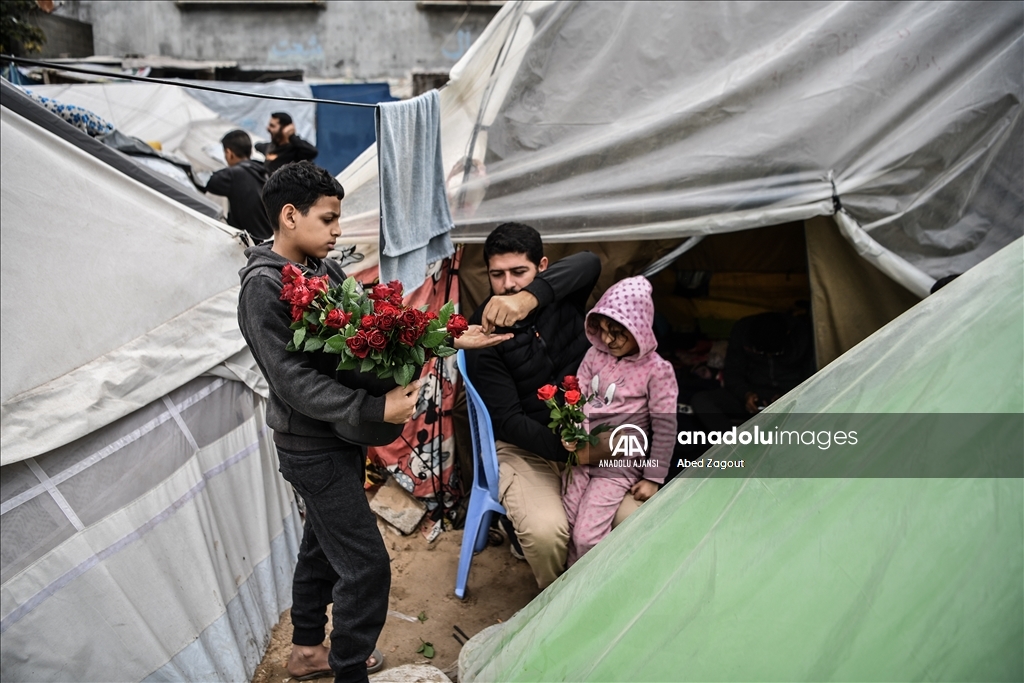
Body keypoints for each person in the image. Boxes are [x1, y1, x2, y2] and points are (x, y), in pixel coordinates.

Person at [238, 161, 509, 683]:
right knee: (366, 567)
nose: (339, 230)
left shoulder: (322, 271)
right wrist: (371, 410)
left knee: (321, 546)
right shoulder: (263, 288)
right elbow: (291, 380)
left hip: (337, 439)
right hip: (310, 447)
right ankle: (347, 671)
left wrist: (448, 337)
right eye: (329, 218)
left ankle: (307, 650)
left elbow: (375, 329)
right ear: (290, 216)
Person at [465, 223, 641, 588]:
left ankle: (611, 595)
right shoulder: (482, 333)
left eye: (519, 272)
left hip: (588, 432)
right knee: (547, 533)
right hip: (526, 449)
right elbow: (508, 421)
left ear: (542, 266)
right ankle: (556, 605)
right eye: (497, 275)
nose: (509, 284)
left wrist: (529, 298)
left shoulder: (562, 297)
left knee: (634, 516)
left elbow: (589, 262)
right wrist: (573, 454)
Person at [561, 276, 678, 565]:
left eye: (617, 332)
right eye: (602, 331)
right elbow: (578, 395)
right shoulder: (593, 355)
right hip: (584, 454)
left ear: (639, 328)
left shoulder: (657, 370)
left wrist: (653, 477)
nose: (608, 340)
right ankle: (560, 591)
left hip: (619, 461)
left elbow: (665, 427)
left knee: (587, 537)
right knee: (566, 523)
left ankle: (587, 590)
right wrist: (572, 431)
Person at [691, 311, 815, 433]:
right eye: (761, 354)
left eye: (775, 354)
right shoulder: (743, 333)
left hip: (791, 398)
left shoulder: (802, 336)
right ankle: (735, 446)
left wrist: (788, 397)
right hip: (753, 396)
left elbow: (812, 377)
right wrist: (746, 394)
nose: (768, 356)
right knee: (701, 400)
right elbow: (733, 372)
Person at [201, 129, 273, 241]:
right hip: (268, 240)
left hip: (249, 244)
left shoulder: (234, 174)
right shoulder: (262, 171)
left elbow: (210, 182)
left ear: (229, 154)